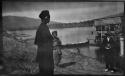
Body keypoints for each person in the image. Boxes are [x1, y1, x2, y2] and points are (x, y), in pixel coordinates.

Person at [34, 10, 54, 76]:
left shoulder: (41, 27)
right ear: (45, 18)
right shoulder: (43, 28)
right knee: (47, 71)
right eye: (48, 17)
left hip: (43, 53)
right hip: (46, 54)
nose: (49, 19)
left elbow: (38, 42)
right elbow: (46, 41)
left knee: (43, 70)